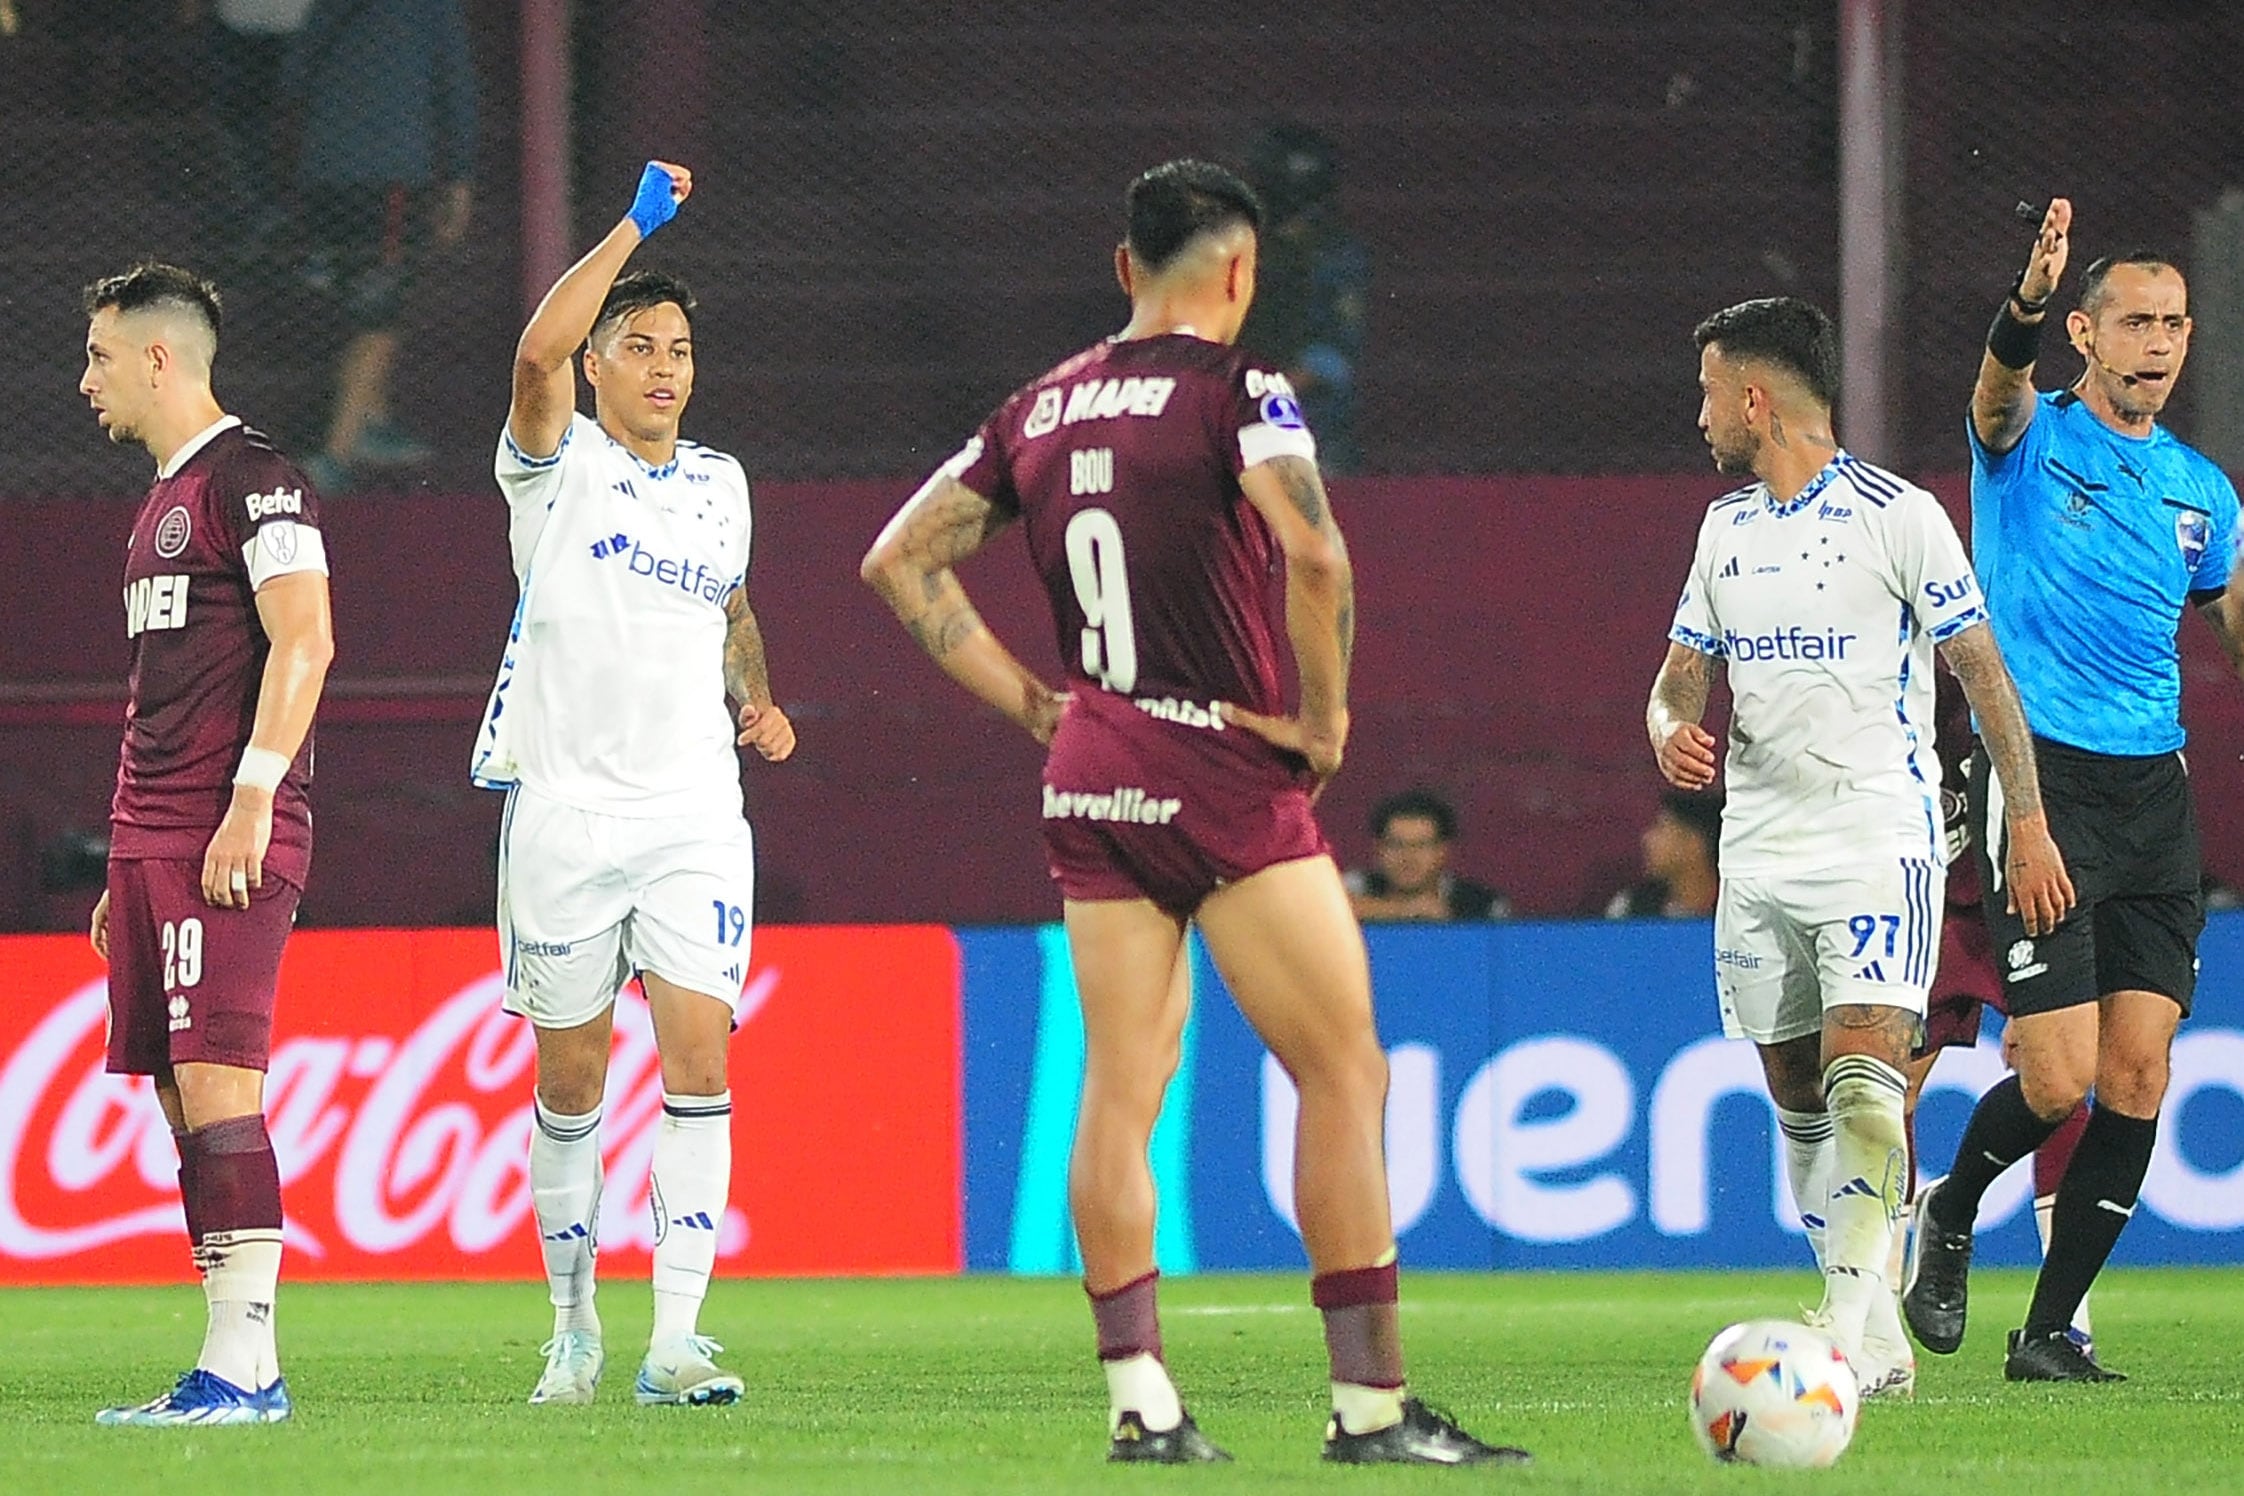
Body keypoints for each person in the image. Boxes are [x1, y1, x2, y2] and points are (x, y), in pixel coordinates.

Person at [861, 159, 1525, 1467]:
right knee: (1343, 1069)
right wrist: (1324, 726)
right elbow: (1317, 552)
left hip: (1093, 764)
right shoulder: (1242, 391)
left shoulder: (1038, 406)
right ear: (1240, 273)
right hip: (1217, 764)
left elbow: (899, 560)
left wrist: (1035, 706)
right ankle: (1372, 1410)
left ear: (1124, 269)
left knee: (1121, 1088)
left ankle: (1143, 1403)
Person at [1648, 295, 2071, 1398]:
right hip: (1758, 851)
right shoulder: (1723, 531)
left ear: (1755, 395)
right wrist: (1666, 727)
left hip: (1879, 836)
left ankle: (1835, 1328)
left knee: (1866, 1083)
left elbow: (1984, 678)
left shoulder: (1901, 517)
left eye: (1707, 392)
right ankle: (1867, 1306)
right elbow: (1683, 671)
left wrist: (2024, 817)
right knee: (1794, 1087)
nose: (1698, 416)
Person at [469, 162, 797, 1408]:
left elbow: (733, 604)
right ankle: (573, 1326)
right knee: (570, 1084)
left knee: (701, 1063)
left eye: (679, 349)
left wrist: (753, 697)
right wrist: (634, 229)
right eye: (639, 346)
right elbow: (535, 351)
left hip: (693, 816)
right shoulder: (553, 470)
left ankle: (673, 1339)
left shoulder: (724, 484)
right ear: (600, 367)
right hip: (562, 812)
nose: (664, 366)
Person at [1902, 201, 2244, 1382]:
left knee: (2138, 1072)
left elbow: (2232, 626)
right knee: (2053, 1078)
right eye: (2135, 320)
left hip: (2156, 791)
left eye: (2175, 322)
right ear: (2088, 336)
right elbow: (1996, 388)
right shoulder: (2028, 438)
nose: (2158, 340)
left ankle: (2049, 1328)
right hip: (2038, 775)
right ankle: (1950, 1209)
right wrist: (2027, 301)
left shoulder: (2205, 494)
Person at [78, 262, 336, 1425]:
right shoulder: (157, 501)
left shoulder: (257, 480)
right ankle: (227, 1362)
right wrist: (126, 854)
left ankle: (247, 1370)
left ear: (158, 357)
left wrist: (249, 797)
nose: (85, 378)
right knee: (186, 1101)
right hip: (157, 839)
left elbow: (307, 641)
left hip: (223, 833)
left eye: (97, 354)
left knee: (223, 1084)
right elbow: (161, 688)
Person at [1891, 673, 2098, 1362]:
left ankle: (2064, 1322)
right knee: (1887, 1090)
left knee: (2060, 1085)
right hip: (1923, 884)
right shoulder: (1910, 623)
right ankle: (1875, 1323)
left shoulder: (2040, 629)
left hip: (2022, 883)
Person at [284, 0, 477, 491]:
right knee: (380, 310)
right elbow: (454, 87)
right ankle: (337, 450)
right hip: (391, 170)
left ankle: (372, 417)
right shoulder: (433, 11)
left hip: (325, 168)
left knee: (352, 295)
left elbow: (295, 74)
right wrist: (457, 178)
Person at [1238, 122, 1369, 473]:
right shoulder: (1242, 248)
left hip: (1310, 419)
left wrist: (1268, 391)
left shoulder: (1335, 256)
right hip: (1243, 407)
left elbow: (1333, 358)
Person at [1345, 788, 1508, 921]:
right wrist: (1404, 911)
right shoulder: (1359, 885)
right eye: (1396, 845)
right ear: (1379, 849)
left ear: (1442, 851)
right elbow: (1324, 907)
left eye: (1421, 846)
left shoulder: (1481, 905)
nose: (1408, 857)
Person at [1604, 787, 1722, 919]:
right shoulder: (1630, 909)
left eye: (1660, 827)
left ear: (1693, 844)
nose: (1647, 839)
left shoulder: (1739, 907)